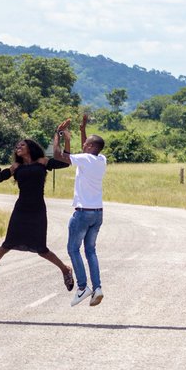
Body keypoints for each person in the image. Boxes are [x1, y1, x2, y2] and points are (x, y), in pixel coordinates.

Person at [0, 138, 73, 293]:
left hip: (37, 209)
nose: (18, 147)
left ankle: (65, 270)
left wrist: (66, 139)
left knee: (41, 249)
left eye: (22, 145)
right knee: (6, 245)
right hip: (21, 210)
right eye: (16, 145)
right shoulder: (16, 166)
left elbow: (66, 162)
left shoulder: (42, 161)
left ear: (30, 148)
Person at [52, 113, 107, 306]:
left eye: (86, 144)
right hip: (98, 213)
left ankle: (83, 288)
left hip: (83, 212)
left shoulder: (84, 159)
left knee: (72, 249)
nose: (83, 145)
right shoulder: (101, 160)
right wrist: (82, 129)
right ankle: (97, 287)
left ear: (91, 147)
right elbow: (86, 150)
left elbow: (59, 156)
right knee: (90, 251)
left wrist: (59, 136)